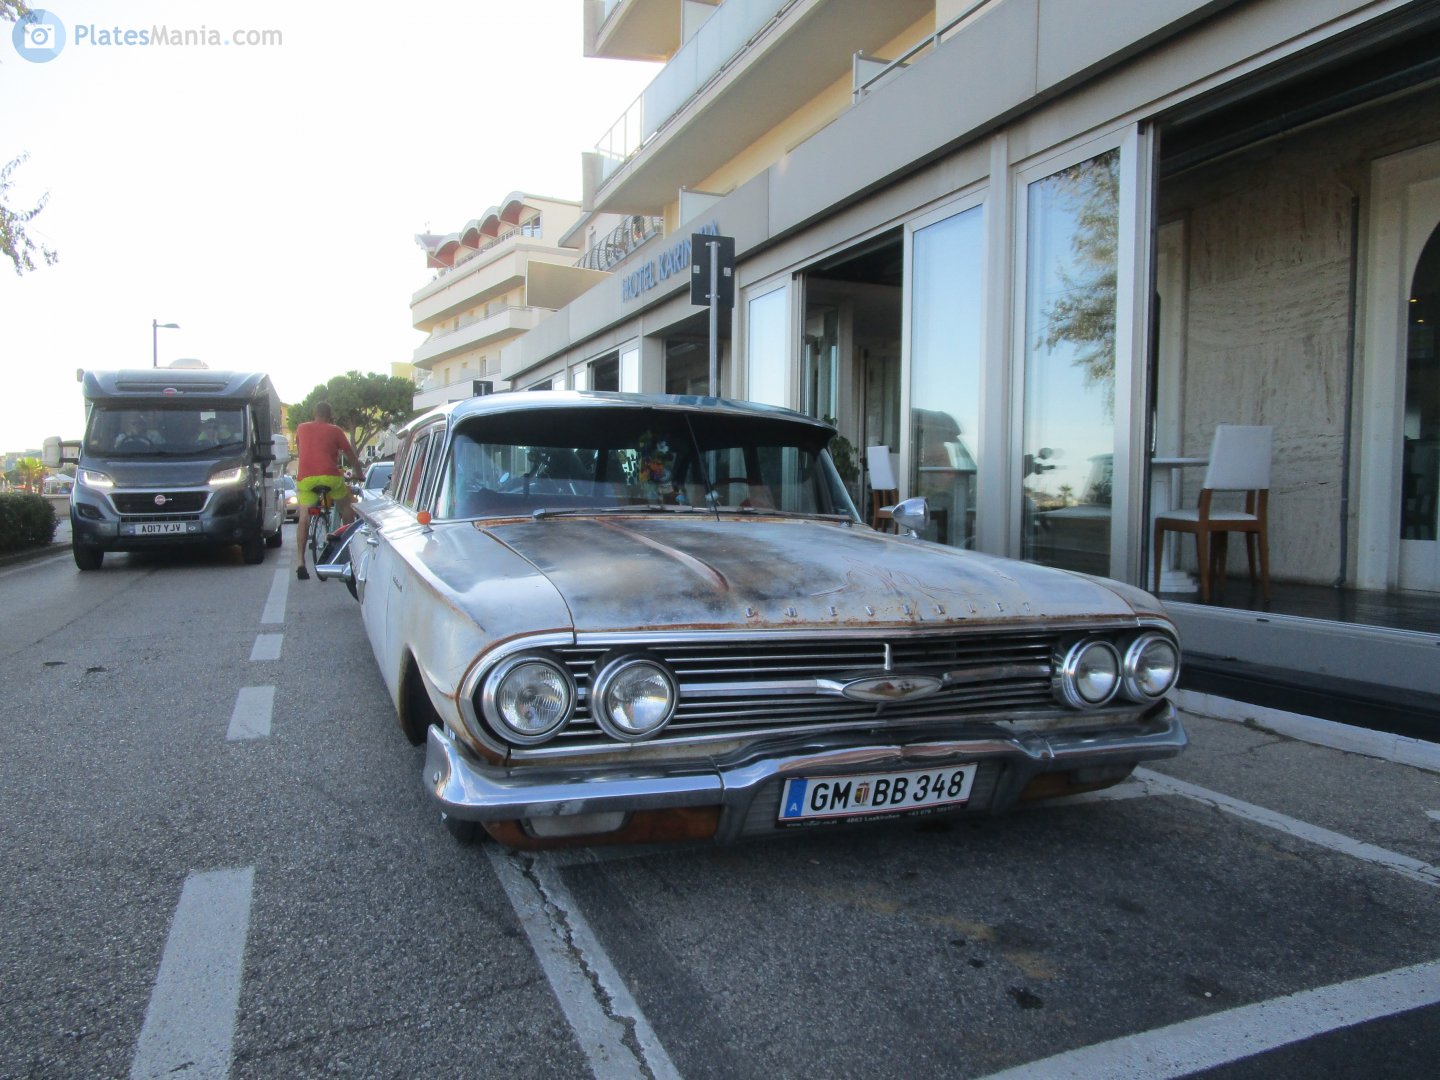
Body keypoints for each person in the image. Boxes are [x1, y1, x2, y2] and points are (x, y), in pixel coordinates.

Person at [293, 401, 361, 580]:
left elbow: (302, 450)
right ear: (330, 416)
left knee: (304, 518)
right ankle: (348, 547)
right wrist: (359, 473)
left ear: (314, 414)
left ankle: (300, 563)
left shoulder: (301, 428)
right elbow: (351, 455)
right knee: (347, 506)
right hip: (330, 477)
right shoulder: (336, 430)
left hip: (306, 478)